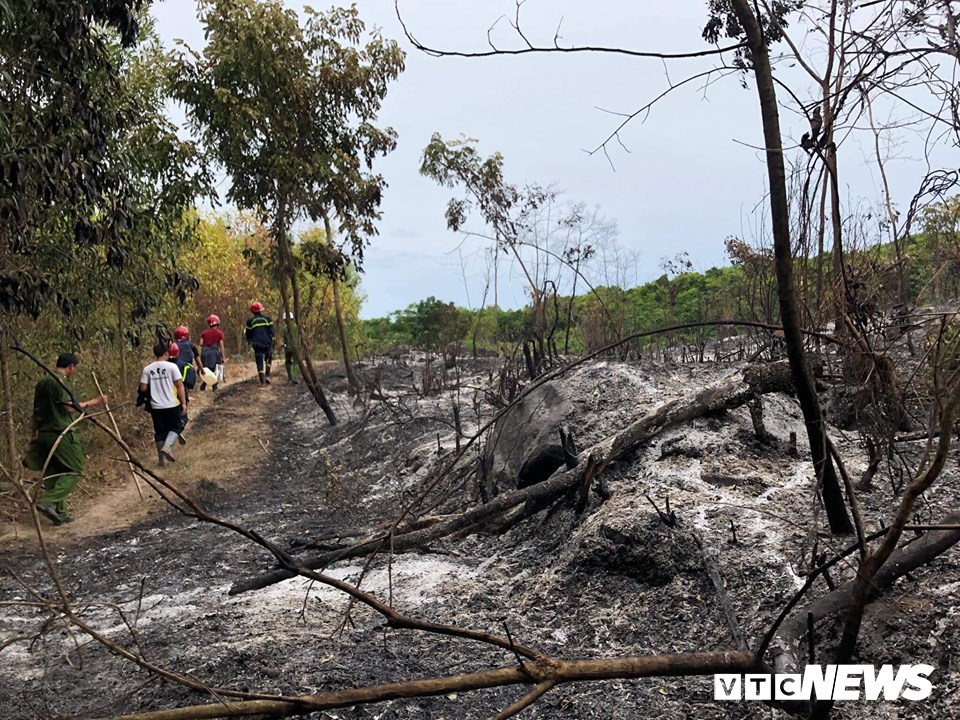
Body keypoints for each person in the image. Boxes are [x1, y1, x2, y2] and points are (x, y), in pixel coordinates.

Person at [26, 352, 108, 525]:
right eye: (75, 368)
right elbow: (70, 408)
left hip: (44, 434)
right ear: (71, 367)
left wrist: (33, 436)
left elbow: (36, 413)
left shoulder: (42, 383)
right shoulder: (61, 382)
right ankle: (48, 501)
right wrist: (96, 401)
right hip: (61, 433)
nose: (74, 371)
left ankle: (59, 511)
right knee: (75, 470)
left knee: (55, 472)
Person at [140, 342, 187, 465]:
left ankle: (162, 462)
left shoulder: (147, 369)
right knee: (177, 426)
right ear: (166, 353)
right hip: (172, 404)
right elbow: (179, 385)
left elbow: (143, 388)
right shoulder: (172, 367)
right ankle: (167, 447)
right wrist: (183, 403)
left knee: (160, 432)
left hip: (156, 406)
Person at [172, 326, 199, 441]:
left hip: (170, 380)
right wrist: (202, 371)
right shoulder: (191, 346)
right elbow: (197, 360)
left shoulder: (171, 346)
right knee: (183, 405)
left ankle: (173, 425)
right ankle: (179, 427)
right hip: (184, 380)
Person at [245, 301, 274, 386]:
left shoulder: (250, 321)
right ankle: (267, 375)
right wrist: (273, 340)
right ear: (261, 310)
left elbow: (248, 334)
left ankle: (262, 382)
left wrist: (249, 341)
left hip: (256, 343)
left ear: (252, 311)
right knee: (268, 358)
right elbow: (271, 331)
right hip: (267, 342)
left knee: (259, 360)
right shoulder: (267, 318)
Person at [198, 314, 227, 391]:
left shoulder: (203, 333)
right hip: (215, 352)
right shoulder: (219, 333)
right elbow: (221, 346)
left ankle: (204, 383)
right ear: (217, 323)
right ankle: (214, 386)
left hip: (205, 352)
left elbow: (201, 343)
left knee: (206, 369)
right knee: (217, 368)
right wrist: (223, 357)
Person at [281, 311, 299, 384]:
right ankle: (295, 376)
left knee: (288, 362)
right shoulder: (296, 326)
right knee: (296, 362)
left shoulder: (284, 328)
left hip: (287, 348)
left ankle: (290, 377)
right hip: (296, 347)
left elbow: (284, 339)